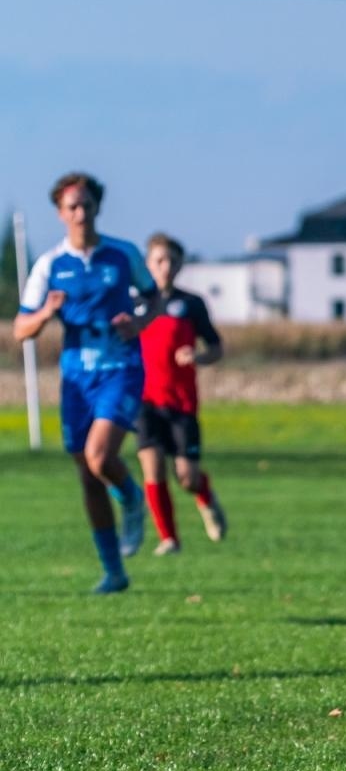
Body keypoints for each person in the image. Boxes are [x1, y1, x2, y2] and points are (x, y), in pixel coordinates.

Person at [12, 173, 156, 593]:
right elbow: (22, 327)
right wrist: (45, 314)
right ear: (60, 213)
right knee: (88, 475)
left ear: (97, 207)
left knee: (99, 455)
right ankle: (114, 571)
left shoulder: (122, 254)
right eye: (71, 206)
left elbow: (154, 297)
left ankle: (131, 497)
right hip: (77, 378)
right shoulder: (50, 265)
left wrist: (140, 320)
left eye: (86, 204)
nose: (80, 213)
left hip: (121, 369)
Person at [137, 233, 227, 554]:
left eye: (172, 260)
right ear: (147, 264)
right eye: (159, 260)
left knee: (186, 476)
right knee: (152, 465)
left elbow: (216, 348)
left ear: (180, 265)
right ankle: (169, 539)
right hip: (145, 400)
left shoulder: (191, 304)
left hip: (181, 402)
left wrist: (197, 356)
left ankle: (206, 497)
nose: (165, 266)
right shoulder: (136, 303)